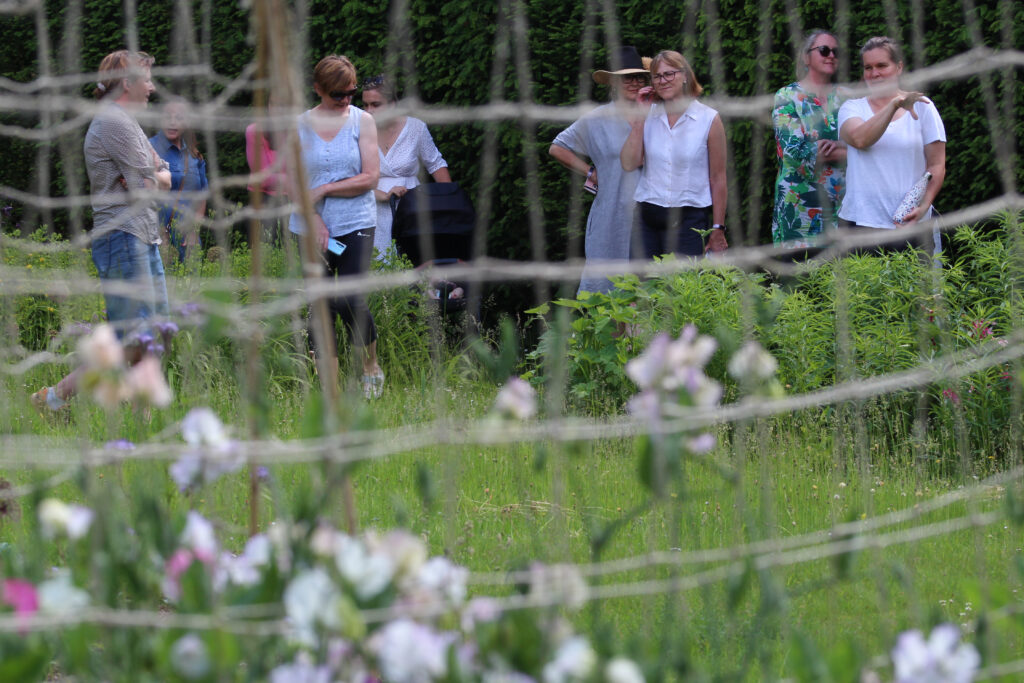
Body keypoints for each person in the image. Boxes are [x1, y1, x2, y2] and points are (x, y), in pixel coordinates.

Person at [31, 49, 172, 412]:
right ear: (128, 82)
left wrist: (155, 178)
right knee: (134, 337)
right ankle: (58, 400)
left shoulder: (128, 121)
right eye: (147, 79)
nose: (152, 88)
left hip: (140, 234)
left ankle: (67, 401)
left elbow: (160, 176)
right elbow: (148, 184)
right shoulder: (115, 123)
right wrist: (156, 178)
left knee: (153, 331)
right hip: (122, 237)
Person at [287, 54, 384, 399]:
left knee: (350, 296)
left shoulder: (362, 122)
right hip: (308, 226)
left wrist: (326, 188)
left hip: (355, 221)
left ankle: (371, 364)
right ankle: (330, 387)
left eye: (350, 93)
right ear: (318, 90)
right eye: (337, 95)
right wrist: (313, 218)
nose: (345, 101)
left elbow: (371, 177)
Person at [549, 46, 649, 294]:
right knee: (606, 291)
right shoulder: (597, 118)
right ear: (614, 82)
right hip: (610, 214)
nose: (634, 82)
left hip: (650, 212)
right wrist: (590, 172)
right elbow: (557, 147)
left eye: (639, 77)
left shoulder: (656, 114)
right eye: (627, 77)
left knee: (647, 290)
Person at [838, 36, 946, 252]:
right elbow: (860, 139)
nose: (874, 73)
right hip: (861, 225)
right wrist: (894, 104)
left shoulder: (924, 107)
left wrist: (924, 205)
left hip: (912, 224)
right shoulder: (851, 108)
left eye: (881, 65)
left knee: (917, 287)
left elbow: (936, 165)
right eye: (868, 67)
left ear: (898, 67)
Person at [621, 50, 728, 259]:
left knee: (682, 289)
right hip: (646, 219)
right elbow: (628, 163)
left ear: (685, 76)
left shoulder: (709, 119)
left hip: (689, 222)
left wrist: (718, 228)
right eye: (657, 76)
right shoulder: (647, 115)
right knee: (641, 288)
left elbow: (718, 178)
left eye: (670, 74)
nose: (663, 81)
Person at [360, 74, 451, 260]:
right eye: (365, 105)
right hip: (372, 209)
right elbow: (352, 176)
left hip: (412, 209)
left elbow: (436, 163)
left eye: (376, 105)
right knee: (378, 266)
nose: (369, 111)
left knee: (414, 264)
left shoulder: (416, 128)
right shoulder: (359, 131)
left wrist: (448, 201)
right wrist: (380, 195)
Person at [771, 30, 847, 246]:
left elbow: (865, 145)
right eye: (824, 50)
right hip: (799, 211)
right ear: (806, 57)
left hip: (842, 210)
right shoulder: (786, 97)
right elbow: (794, 154)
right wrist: (846, 149)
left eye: (836, 52)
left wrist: (837, 149)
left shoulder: (847, 96)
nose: (831, 55)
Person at [150, 98, 208, 264]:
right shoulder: (148, 149)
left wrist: (194, 231)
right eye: (167, 116)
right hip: (157, 238)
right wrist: (158, 231)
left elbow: (202, 195)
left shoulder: (194, 155)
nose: (172, 122)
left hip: (188, 240)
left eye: (179, 118)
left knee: (192, 285)